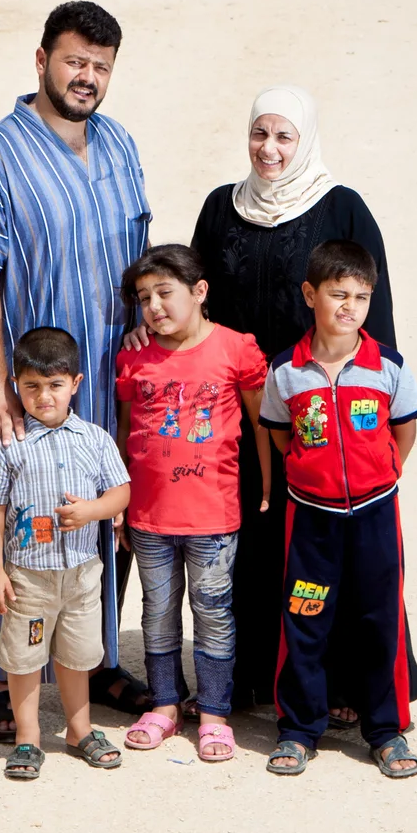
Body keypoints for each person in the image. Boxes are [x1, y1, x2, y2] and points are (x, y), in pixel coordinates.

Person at [0, 0, 152, 746]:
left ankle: (88, 658)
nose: (86, 77)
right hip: (28, 384)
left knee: (100, 514)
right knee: (12, 514)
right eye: (74, 61)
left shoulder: (120, 145)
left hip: (105, 373)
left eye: (100, 66)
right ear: (41, 60)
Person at [187, 85, 410, 713]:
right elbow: (197, 302)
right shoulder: (221, 207)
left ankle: (343, 686)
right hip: (240, 410)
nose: (270, 149)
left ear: (305, 139)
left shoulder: (341, 208)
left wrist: (378, 420)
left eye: (285, 136)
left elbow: (375, 314)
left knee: (331, 543)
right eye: (260, 133)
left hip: (323, 408)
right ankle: (254, 673)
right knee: (251, 535)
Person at [259, 240, 417, 779]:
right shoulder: (286, 372)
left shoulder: (388, 367)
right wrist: (316, 474)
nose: (349, 306)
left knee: (379, 618)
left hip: (376, 517)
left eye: (361, 296)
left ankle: (386, 730)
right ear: (311, 295)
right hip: (311, 521)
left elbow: (405, 430)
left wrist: (383, 472)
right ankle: (299, 728)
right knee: (305, 617)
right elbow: (282, 439)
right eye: (338, 294)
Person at [112, 243, 270, 763]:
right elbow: (124, 433)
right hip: (150, 518)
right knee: (157, 612)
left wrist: (269, 486)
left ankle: (216, 712)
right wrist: (118, 502)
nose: (154, 306)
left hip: (213, 518)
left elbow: (260, 424)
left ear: (200, 292)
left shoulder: (236, 350)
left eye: (165, 293)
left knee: (214, 613)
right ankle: (163, 705)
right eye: (143, 298)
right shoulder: (134, 355)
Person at [0, 326, 132, 779]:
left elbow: (120, 492)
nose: (45, 397)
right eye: (32, 387)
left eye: (55, 385)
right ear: (16, 387)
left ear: (75, 384)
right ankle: (28, 738)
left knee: (77, 654)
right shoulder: (9, 446)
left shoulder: (95, 439)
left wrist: (92, 511)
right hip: (29, 577)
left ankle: (79, 729)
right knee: (25, 658)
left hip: (82, 574)